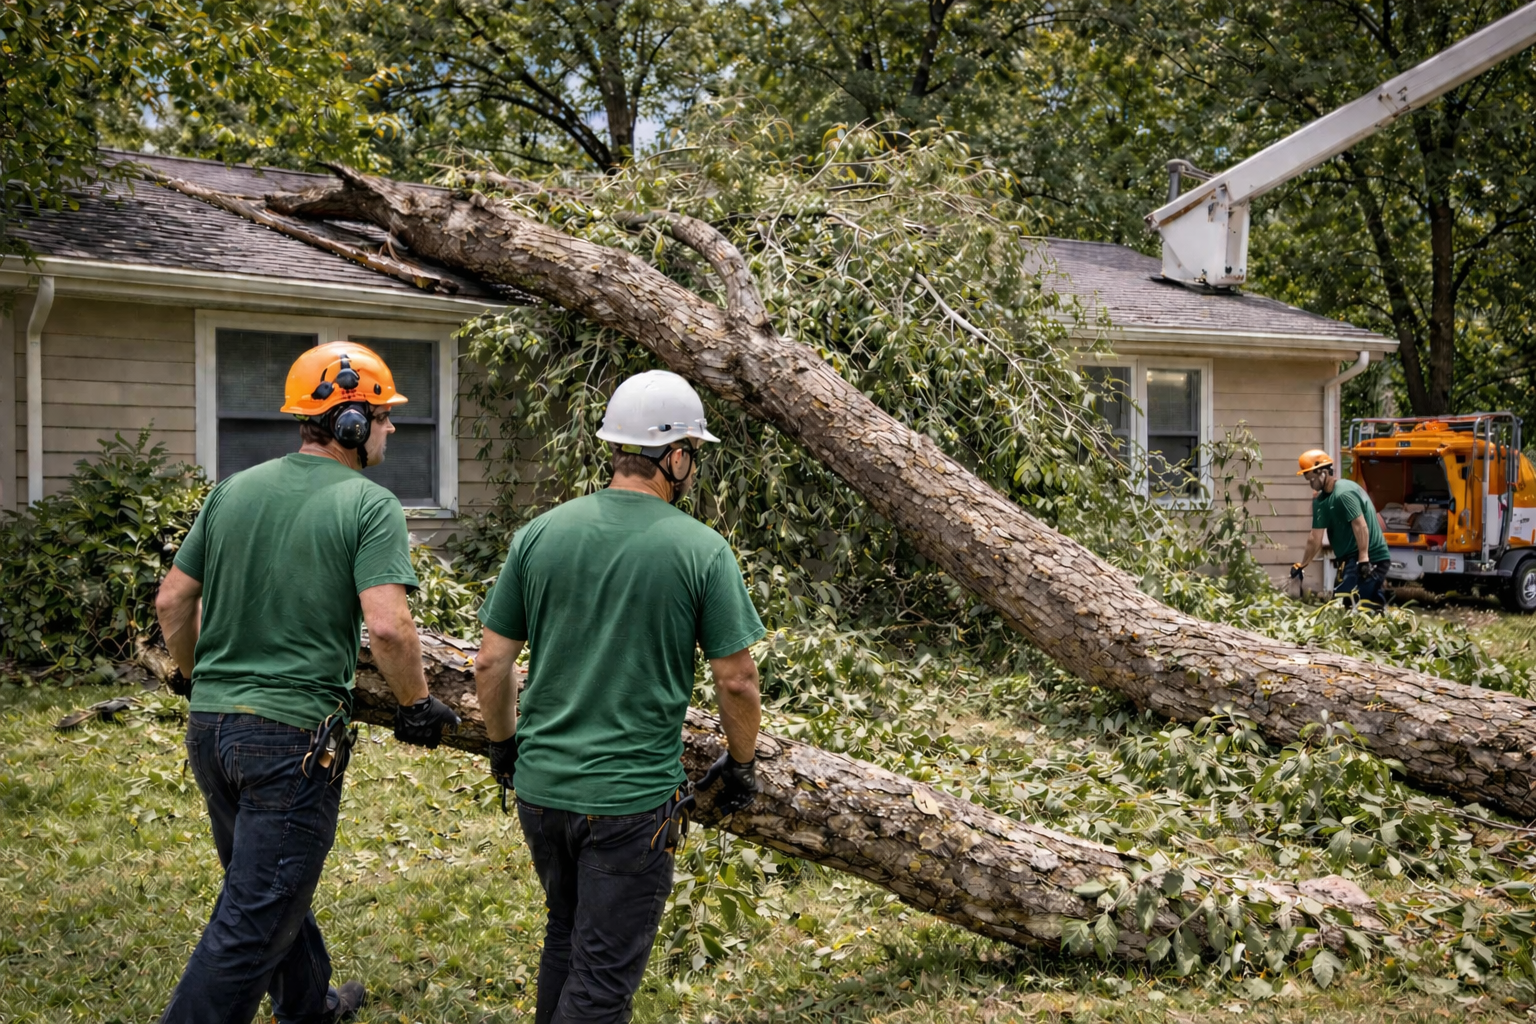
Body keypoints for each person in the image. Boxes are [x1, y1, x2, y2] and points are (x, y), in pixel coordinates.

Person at [154, 342, 461, 1024]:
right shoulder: (368, 503)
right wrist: (416, 704)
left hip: (211, 731)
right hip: (289, 743)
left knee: (264, 884)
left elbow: (173, 601)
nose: (391, 430)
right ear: (351, 422)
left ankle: (308, 1004)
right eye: (383, 417)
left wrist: (198, 672)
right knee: (253, 917)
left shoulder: (233, 489)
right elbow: (389, 629)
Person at [474, 369, 766, 1024]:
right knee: (602, 981)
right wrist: (742, 764)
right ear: (675, 456)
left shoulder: (540, 535)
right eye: (693, 452)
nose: (694, 467)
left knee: (565, 937)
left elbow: (491, 662)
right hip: (630, 805)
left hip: (542, 793)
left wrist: (502, 746)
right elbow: (737, 679)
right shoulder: (701, 550)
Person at [1292, 448, 1392, 610]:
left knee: (1358, 602)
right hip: (1348, 558)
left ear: (1323, 472)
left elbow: (1360, 525)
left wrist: (1364, 559)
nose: (1311, 484)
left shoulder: (1343, 493)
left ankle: (1375, 630)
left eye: (1312, 479)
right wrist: (1302, 565)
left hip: (1370, 556)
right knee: (1352, 602)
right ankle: (1372, 629)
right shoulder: (1321, 500)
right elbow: (1315, 537)